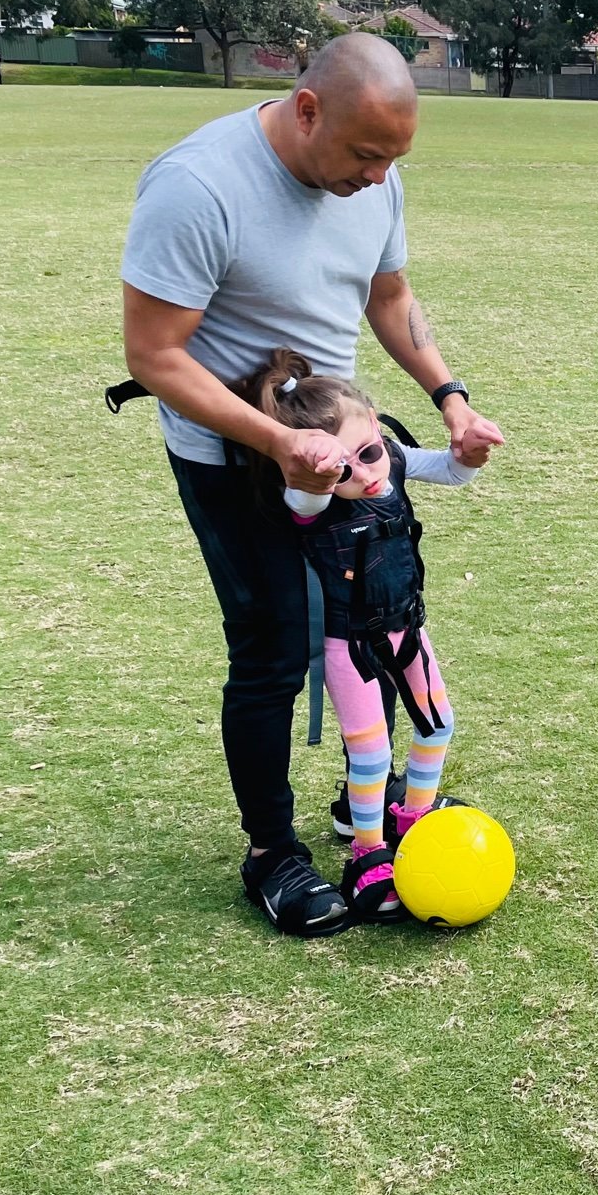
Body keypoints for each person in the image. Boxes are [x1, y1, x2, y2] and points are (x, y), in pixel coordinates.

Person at [120, 33, 503, 938]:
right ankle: (271, 853)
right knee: (273, 648)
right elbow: (154, 355)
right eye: (365, 155)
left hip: (342, 454)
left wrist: (447, 398)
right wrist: (276, 443)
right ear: (306, 109)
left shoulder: (376, 177)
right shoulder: (198, 186)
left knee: (371, 621)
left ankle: (364, 809)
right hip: (237, 459)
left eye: (394, 159)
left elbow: (390, 298)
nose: (378, 179)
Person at [235, 348, 475, 922]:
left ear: (375, 424)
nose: (366, 475)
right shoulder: (310, 497)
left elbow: (449, 469)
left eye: (368, 454)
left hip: (408, 627)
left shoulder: (386, 454)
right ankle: (368, 852)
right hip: (352, 646)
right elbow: (307, 495)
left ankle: (412, 819)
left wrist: (470, 453)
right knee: (370, 754)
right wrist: (318, 468)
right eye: (345, 470)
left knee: (437, 724)